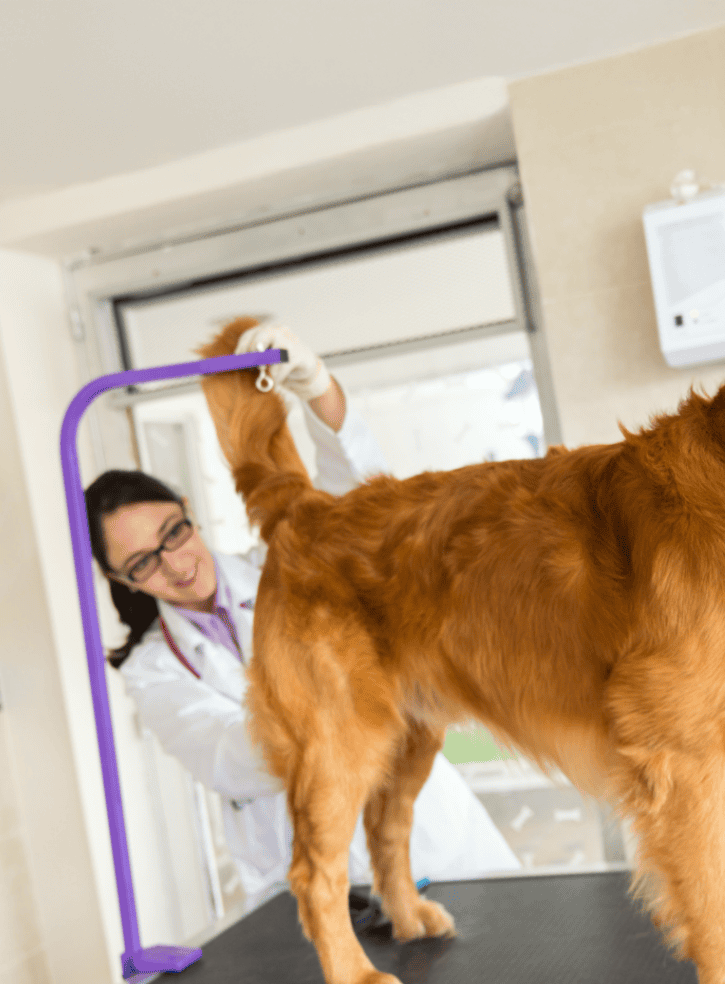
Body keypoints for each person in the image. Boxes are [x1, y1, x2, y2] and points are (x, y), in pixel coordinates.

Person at [85, 323, 518, 918]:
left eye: (174, 533)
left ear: (189, 513)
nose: (176, 565)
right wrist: (334, 702)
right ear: (122, 580)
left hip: (438, 848)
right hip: (316, 887)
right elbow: (226, 760)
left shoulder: (284, 567)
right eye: (143, 562)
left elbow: (359, 510)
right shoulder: (153, 669)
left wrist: (319, 391)